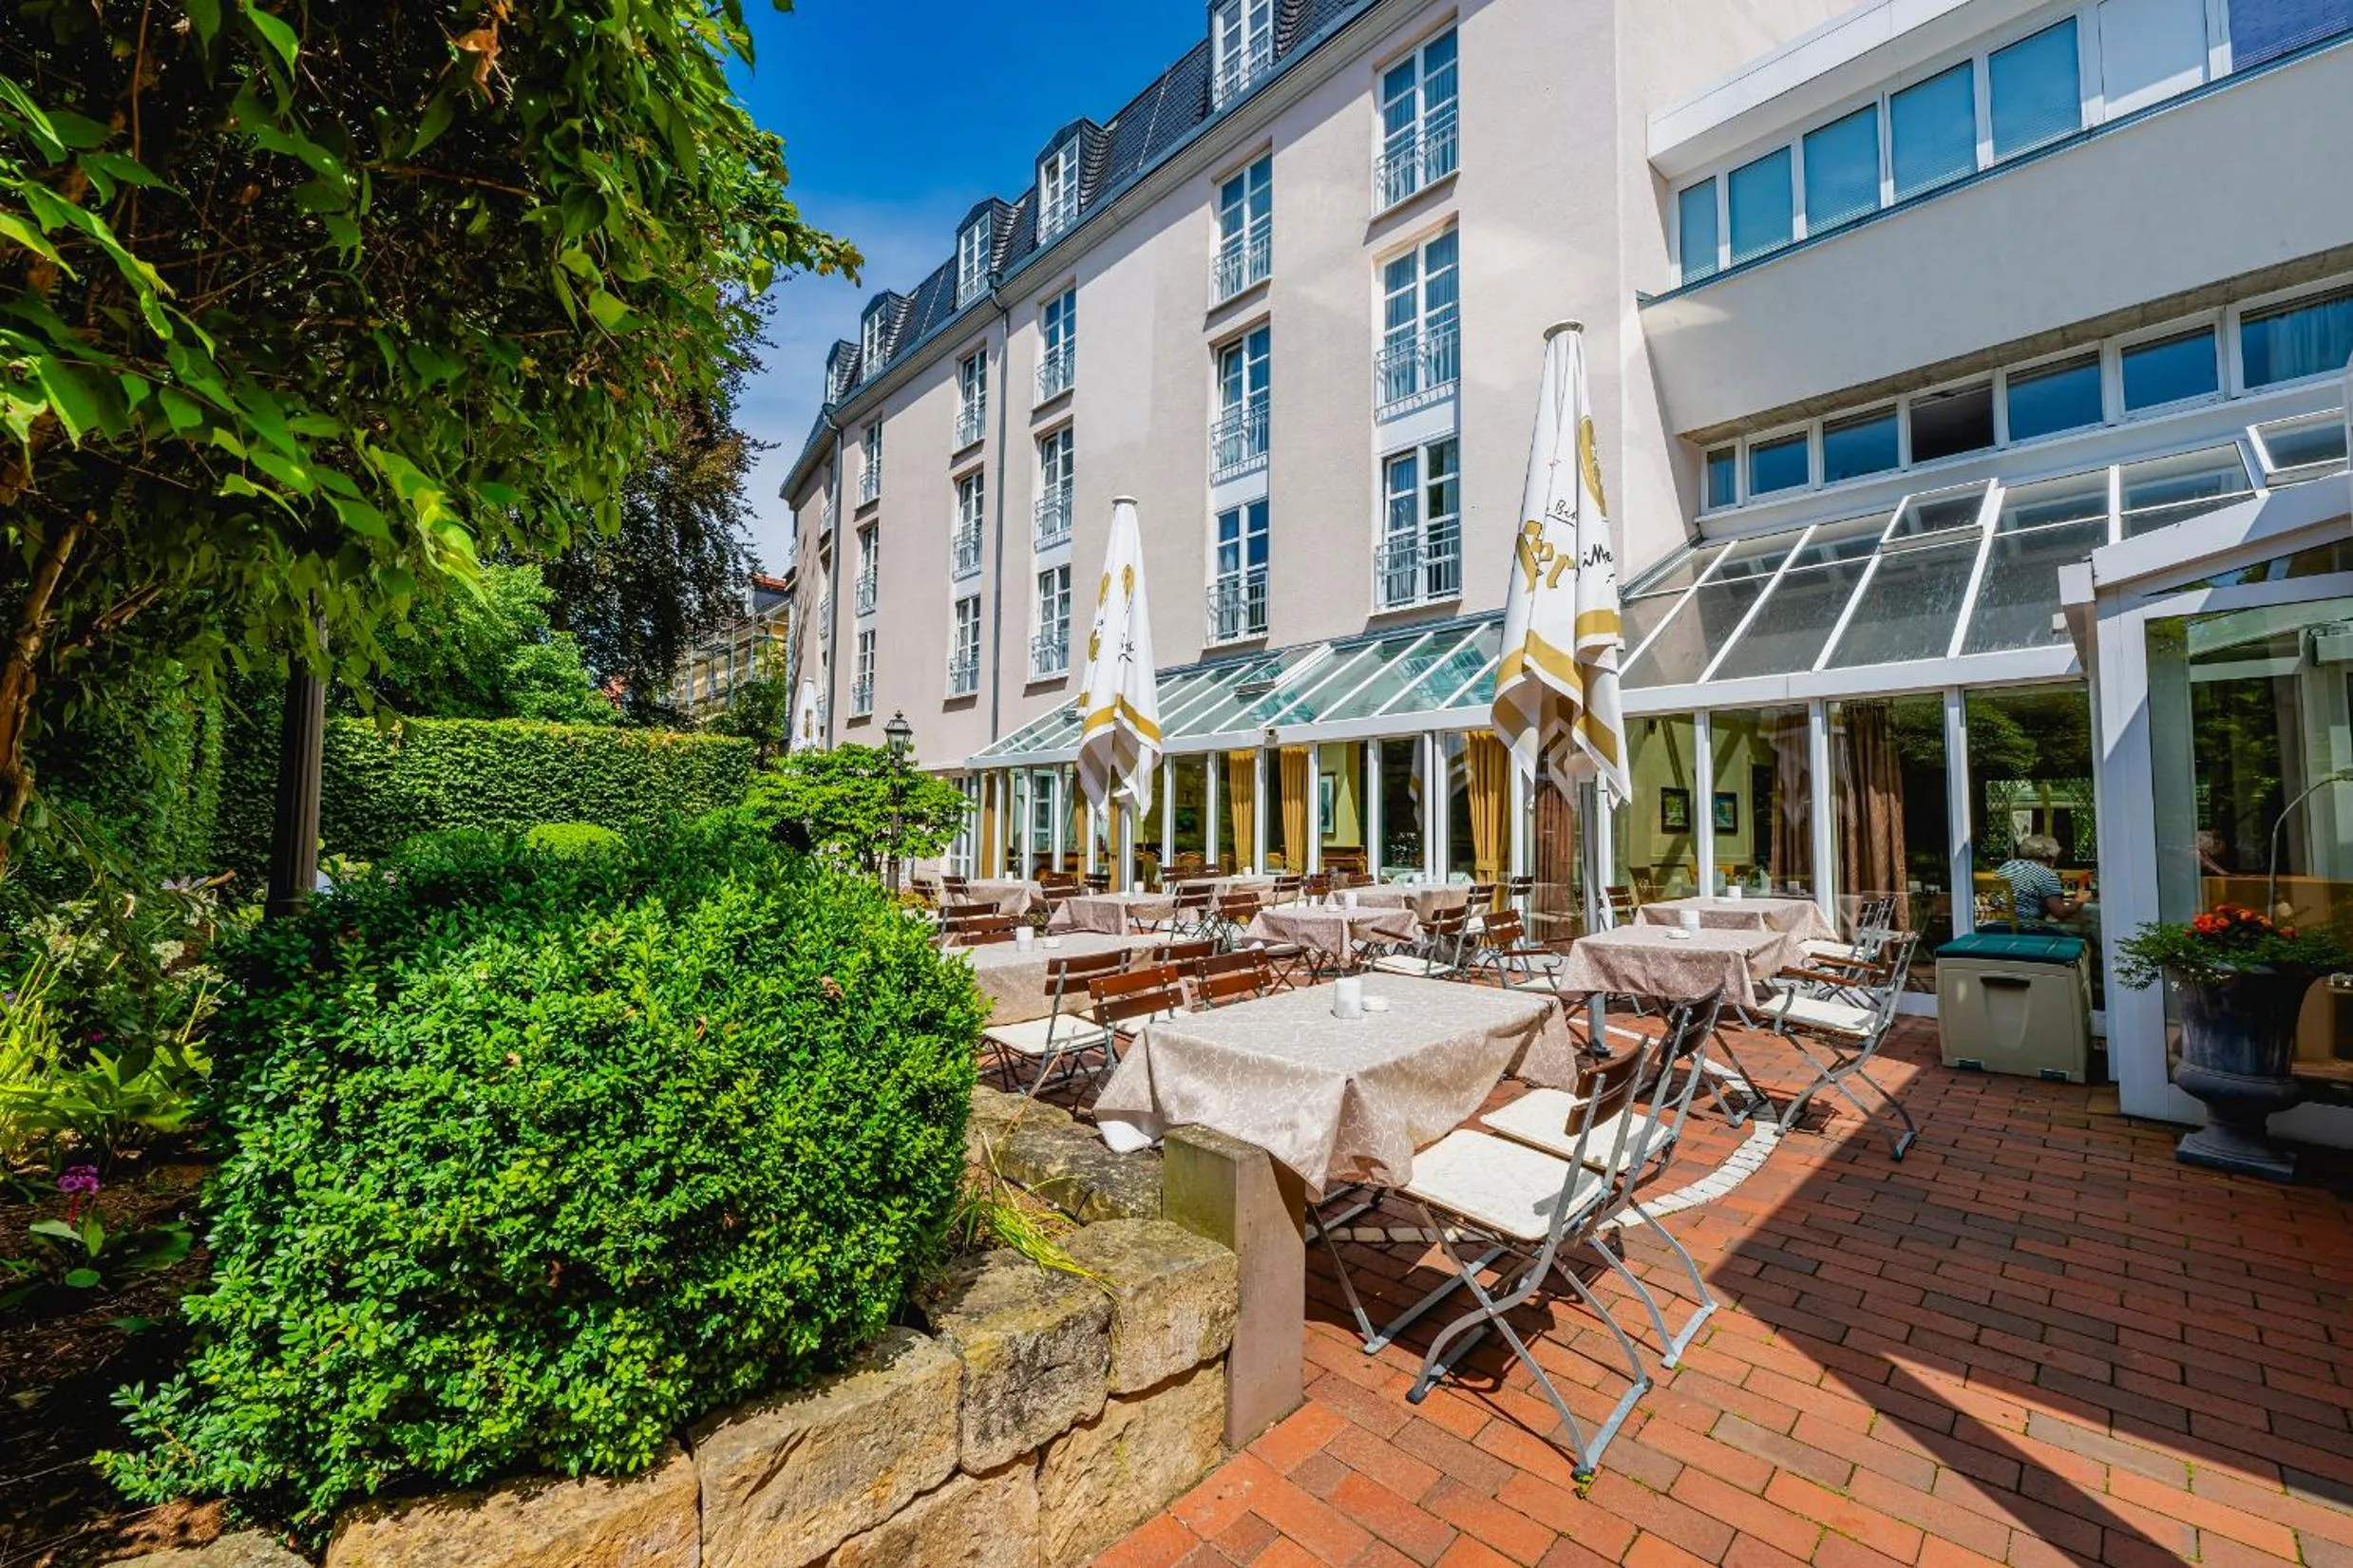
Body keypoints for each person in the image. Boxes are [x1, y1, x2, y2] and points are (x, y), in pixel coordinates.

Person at [1998, 834, 2087, 930]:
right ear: (2050, 856)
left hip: (1996, 925)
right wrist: (2079, 900)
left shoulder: (2007, 866)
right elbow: (2060, 912)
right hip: (2026, 929)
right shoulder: (2046, 874)